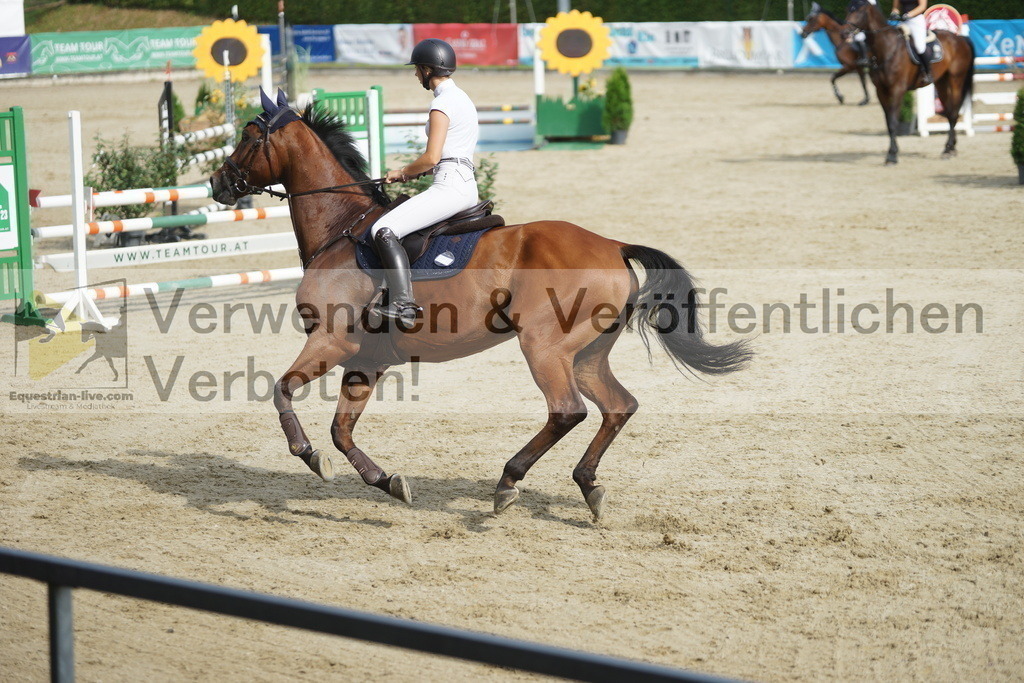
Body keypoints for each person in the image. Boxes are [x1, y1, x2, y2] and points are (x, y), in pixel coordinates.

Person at [369, 38, 480, 326]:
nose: (416, 75)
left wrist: (403, 171)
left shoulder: (442, 104)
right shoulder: (463, 98)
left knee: (383, 229)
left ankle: (403, 303)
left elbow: (432, 157)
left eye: (417, 69)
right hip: (465, 182)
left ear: (427, 69)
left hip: (450, 185)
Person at [890, 0, 933, 84]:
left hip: (916, 20)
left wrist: (909, 14)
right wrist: (894, 13)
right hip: (904, 21)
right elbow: (896, 8)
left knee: (919, 47)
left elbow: (922, 6)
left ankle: (928, 73)